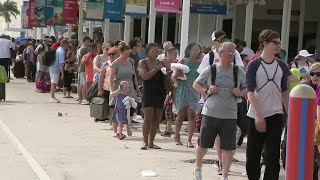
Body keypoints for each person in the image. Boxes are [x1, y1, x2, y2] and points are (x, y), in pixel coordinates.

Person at [192, 42, 246, 180]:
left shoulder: (238, 71)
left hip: (230, 115)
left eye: (234, 53)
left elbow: (247, 89)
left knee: (228, 148)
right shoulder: (212, 69)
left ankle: (225, 175)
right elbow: (196, 84)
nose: (232, 56)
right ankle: (197, 169)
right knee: (203, 145)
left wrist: (240, 92)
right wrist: (206, 90)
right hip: (210, 113)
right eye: (229, 53)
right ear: (221, 53)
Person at [246, 29, 289, 180]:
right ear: (265, 44)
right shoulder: (254, 65)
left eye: (279, 42)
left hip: (276, 114)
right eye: (275, 42)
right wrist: (258, 115)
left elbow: (285, 91)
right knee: (253, 154)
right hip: (255, 115)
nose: (278, 46)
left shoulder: (282, 66)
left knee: (272, 154)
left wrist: (289, 113)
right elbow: (250, 91)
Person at [173, 43, 202, 148]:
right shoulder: (183, 61)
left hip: (194, 91)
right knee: (181, 115)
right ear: (189, 50)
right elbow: (173, 77)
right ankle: (177, 136)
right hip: (182, 89)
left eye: (198, 50)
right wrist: (177, 75)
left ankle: (189, 140)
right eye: (194, 49)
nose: (196, 51)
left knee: (192, 115)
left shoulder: (200, 63)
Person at [138, 43, 167, 150]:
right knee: (148, 118)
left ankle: (151, 142)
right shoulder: (143, 62)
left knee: (157, 119)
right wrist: (156, 69)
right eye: (153, 51)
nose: (156, 53)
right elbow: (145, 76)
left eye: (157, 51)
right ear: (148, 52)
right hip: (148, 93)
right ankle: (145, 142)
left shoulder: (161, 63)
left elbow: (167, 77)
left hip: (160, 93)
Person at [110, 42, 138, 136]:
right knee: (119, 110)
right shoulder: (115, 63)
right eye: (125, 53)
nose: (127, 55)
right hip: (120, 88)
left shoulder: (131, 61)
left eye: (128, 53)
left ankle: (128, 126)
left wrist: (136, 87)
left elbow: (134, 76)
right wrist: (112, 90)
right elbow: (111, 79)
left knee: (130, 109)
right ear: (120, 52)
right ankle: (117, 128)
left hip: (129, 87)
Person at [98, 47, 120, 128]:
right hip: (107, 88)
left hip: (118, 89)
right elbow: (101, 77)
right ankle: (112, 122)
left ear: (118, 54)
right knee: (111, 107)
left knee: (119, 106)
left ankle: (118, 122)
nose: (111, 56)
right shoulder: (106, 64)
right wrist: (100, 89)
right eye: (109, 54)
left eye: (113, 54)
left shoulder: (121, 63)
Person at [160, 47, 178, 137]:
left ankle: (168, 129)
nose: (175, 56)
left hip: (170, 89)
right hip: (161, 88)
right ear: (167, 55)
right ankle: (157, 128)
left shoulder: (176, 65)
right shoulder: (162, 63)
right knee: (160, 109)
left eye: (176, 54)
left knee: (169, 112)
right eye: (173, 54)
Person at [49, 39, 69, 103]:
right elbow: (61, 63)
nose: (68, 46)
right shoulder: (62, 52)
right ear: (65, 44)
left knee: (53, 83)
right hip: (55, 69)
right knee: (54, 83)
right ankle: (52, 97)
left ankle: (53, 96)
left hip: (52, 68)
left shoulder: (58, 49)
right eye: (67, 44)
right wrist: (62, 73)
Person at [77, 36, 91, 105]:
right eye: (88, 41)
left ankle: (80, 98)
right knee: (84, 84)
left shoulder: (79, 48)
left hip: (80, 68)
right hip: (83, 68)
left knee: (81, 84)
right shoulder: (84, 49)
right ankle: (83, 98)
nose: (89, 43)